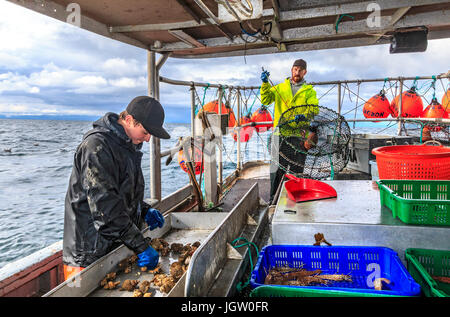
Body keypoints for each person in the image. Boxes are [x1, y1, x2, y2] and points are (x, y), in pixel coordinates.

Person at [63, 96, 170, 280]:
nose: (148, 138)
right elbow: (105, 207)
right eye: (145, 132)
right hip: (87, 255)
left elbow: (119, 192)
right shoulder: (96, 147)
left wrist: (143, 210)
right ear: (128, 120)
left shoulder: (127, 145)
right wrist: (141, 246)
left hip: (113, 245)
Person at [260, 59, 319, 203]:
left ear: (305, 72)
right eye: (295, 69)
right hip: (280, 134)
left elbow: (314, 109)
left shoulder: (309, 91)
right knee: (275, 169)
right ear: (291, 70)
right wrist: (265, 83)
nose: (297, 72)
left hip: (299, 135)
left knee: (297, 169)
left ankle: (295, 198)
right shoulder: (280, 87)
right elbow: (266, 99)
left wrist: (305, 115)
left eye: (300, 70)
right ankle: (273, 199)